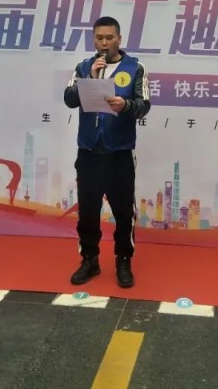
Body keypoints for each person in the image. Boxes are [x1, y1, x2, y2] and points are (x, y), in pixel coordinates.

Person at [64, 16, 151, 288]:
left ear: (119, 39)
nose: (104, 43)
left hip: (119, 152)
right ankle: (89, 259)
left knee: (124, 213)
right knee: (88, 212)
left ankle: (123, 260)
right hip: (89, 150)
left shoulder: (135, 68)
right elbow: (68, 99)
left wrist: (126, 105)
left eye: (109, 38)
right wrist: (88, 80)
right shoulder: (84, 67)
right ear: (94, 40)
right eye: (99, 38)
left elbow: (144, 105)